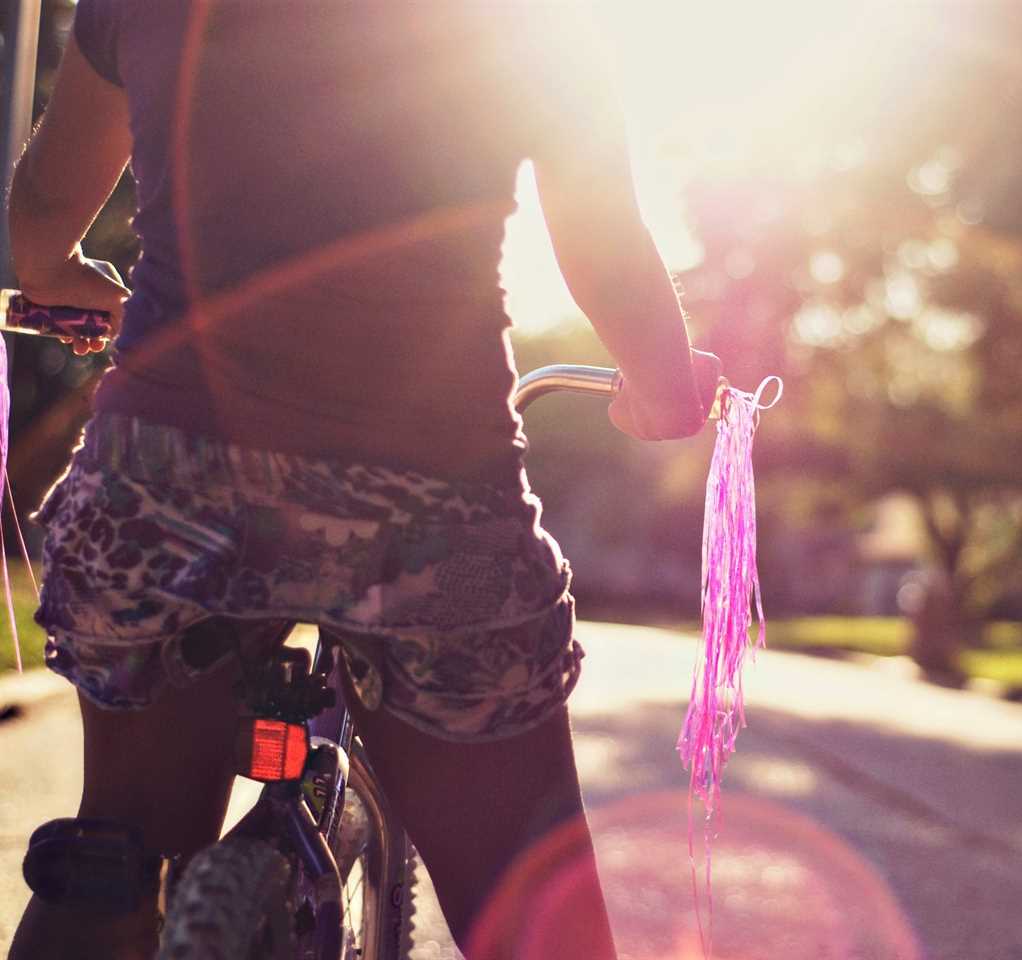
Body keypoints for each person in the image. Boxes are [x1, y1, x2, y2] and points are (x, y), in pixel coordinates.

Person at [5, 3, 721, 958]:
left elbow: (46, 213)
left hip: (163, 482)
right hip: (431, 501)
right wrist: (666, 390)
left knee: (118, 846)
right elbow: (600, 236)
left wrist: (59, 273)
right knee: (532, 900)